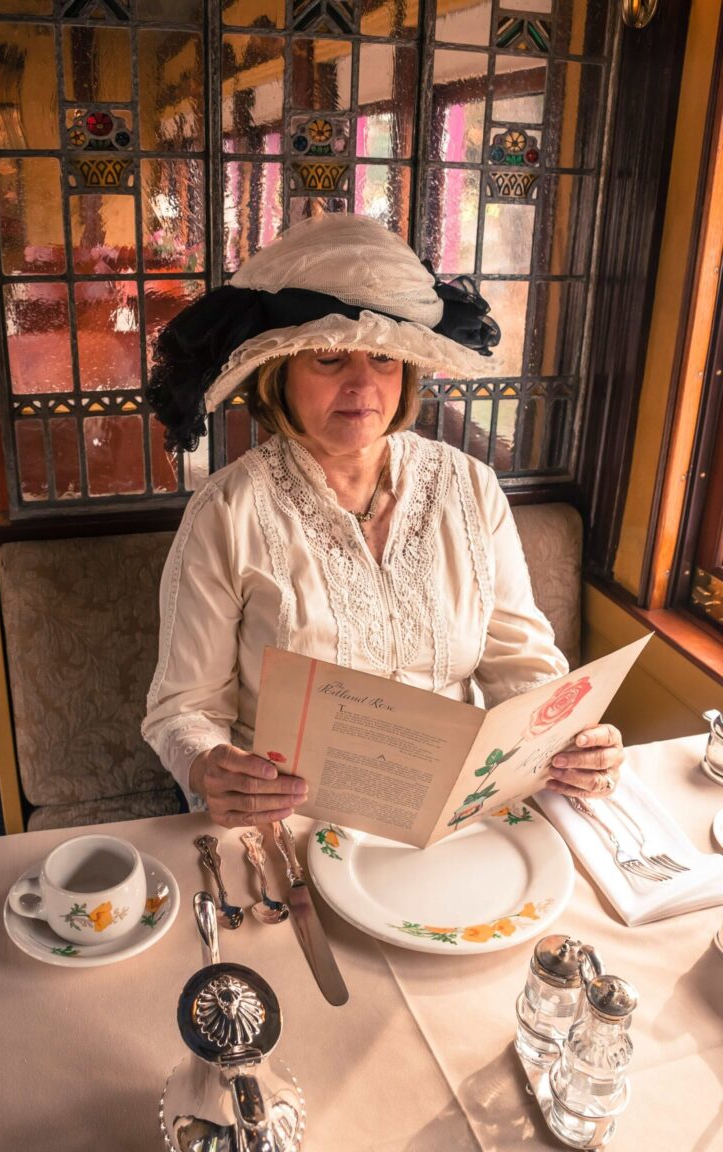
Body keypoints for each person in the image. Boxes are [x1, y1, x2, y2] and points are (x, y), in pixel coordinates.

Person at [142, 214, 624, 828]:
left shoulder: (471, 489)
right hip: (291, 814)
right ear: (279, 375)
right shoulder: (227, 512)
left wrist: (570, 736)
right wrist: (208, 766)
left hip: (454, 811)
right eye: (329, 359)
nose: (362, 384)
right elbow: (183, 708)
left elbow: (521, 664)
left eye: (383, 359)